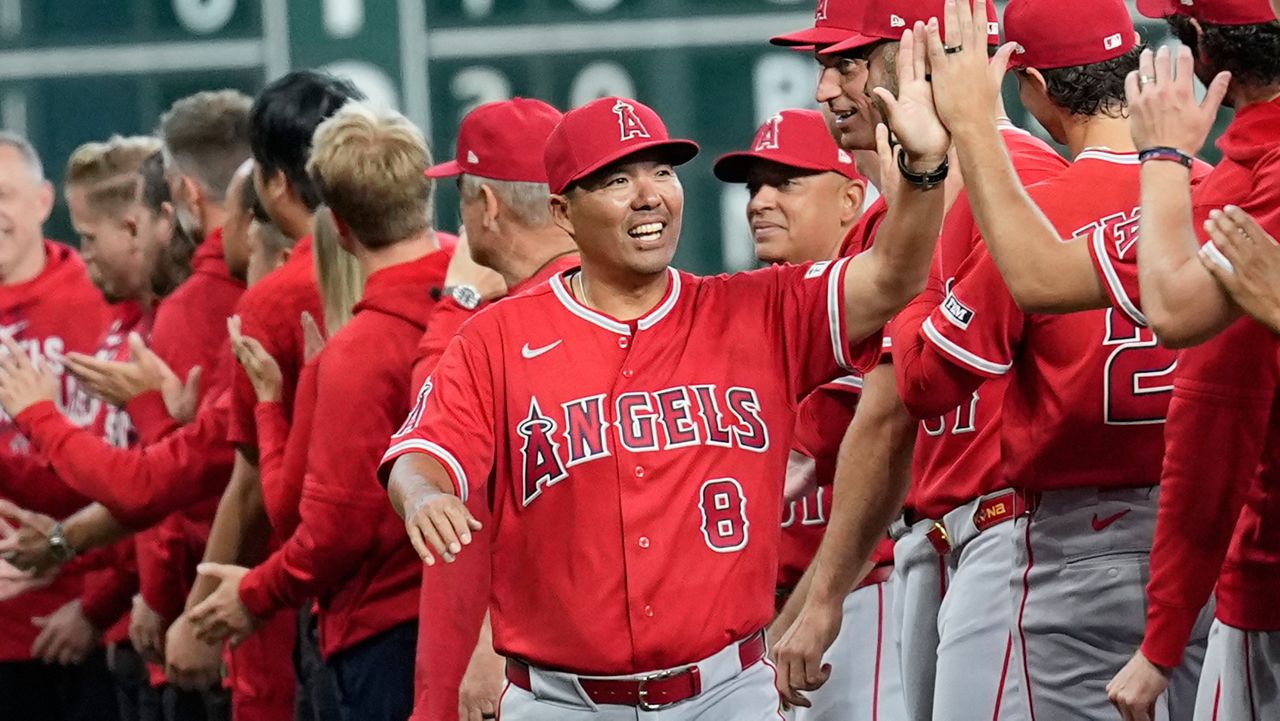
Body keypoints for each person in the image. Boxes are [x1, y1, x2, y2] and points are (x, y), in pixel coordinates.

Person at [381, 76, 946, 718]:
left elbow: (896, 274)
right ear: (564, 212)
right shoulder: (499, 337)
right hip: (562, 702)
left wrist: (925, 171)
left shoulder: (760, 312)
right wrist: (424, 493)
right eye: (618, 180)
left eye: (661, 172)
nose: (649, 196)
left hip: (729, 692)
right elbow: (421, 453)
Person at [905, 1, 1217, 718]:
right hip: (1205, 539)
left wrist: (924, 281)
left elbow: (925, 383)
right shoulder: (1219, 193)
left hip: (1073, 553)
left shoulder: (1037, 215)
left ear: (1033, 84)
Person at [771, 3, 1068, 719]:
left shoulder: (1002, 180)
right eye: (823, 67)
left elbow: (889, 411)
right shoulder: (931, 195)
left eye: (846, 63)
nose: (824, 91)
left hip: (1017, 533)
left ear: (919, 53)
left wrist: (822, 597)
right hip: (959, 536)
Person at [186, 102, 452, 721]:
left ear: (337, 225)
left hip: (387, 643)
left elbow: (326, 532)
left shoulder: (355, 355)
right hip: (485, 627)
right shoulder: (489, 303)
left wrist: (277, 404)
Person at [165, 70, 361, 717]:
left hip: (340, 606)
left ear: (275, 183)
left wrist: (198, 618)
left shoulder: (272, 301)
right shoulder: (440, 266)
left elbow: (251, 488)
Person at [383, 97, 579, 721]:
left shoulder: (514, 323)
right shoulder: (597, 302)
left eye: (463, 196)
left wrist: (459, 295)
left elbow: (428, 411)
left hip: (511, 670)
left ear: (487, 207)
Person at [714, 107, 905, 721]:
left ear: (851, 197)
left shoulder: (874, 310)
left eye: (786, 182)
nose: (760, 201)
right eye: (754, 187)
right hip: (775, 616)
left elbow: (800, 467)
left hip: (859, 603)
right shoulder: (759, 309)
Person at [0, 131, 115, 721]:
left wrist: (97, 608)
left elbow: (139, 472)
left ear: (43, 201)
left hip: (78, 623)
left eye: (4, 196)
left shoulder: (102, 297)